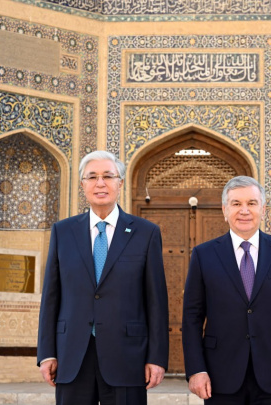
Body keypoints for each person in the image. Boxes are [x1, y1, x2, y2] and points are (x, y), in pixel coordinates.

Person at [37, 151, 169, 405]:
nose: (100, 183)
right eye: (92, 177)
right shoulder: (63, 232)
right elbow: (51, 297)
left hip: (127, 357)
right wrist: (46, 353)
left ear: (120, 183)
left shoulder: (146, 233)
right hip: (72, 355)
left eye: (108, 176)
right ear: (82, 184)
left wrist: (157, 357)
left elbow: (156, 301)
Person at [182, 176, 271, 405]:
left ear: (263, 209)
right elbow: (192, 316)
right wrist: (196, 369)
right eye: (236, 204)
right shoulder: (203, 255)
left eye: (252, 203)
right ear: (225, 210)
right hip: (219, 374)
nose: (244, 210)